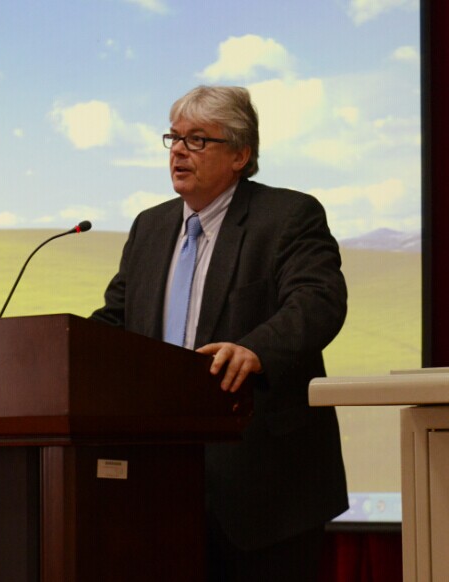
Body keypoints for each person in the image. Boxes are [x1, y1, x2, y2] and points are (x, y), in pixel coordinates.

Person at [90, 85, 348, 581]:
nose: (179, 151)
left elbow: (318, 300)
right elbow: (116, 322)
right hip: (161, 486)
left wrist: (255, 348)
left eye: (197, 139)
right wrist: (52, 348)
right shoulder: (149, 228)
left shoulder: (288, 216)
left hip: (265, 489)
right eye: (174, 138)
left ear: (240, 154)